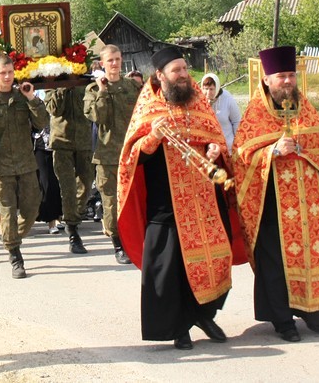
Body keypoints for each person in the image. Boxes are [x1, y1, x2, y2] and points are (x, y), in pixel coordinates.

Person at [118, 45, 232, 350]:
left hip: (204, 197)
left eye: (185, 69)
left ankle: (204, 314)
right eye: (176, 71)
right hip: (165, 200)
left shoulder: (198, 101)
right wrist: (154, 137)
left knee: (218, 255)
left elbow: (215, 139)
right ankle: (179, 326)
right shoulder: (148, 108)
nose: (183, 75)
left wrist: (214, 150)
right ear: (160, 75)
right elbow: (132, 156)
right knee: (169, 267)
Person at [230, 46, 319, 343]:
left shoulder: (306, 109)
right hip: (271, 205)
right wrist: (272, 151)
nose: (288, 81)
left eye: (291, 75)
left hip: (311, 205)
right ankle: (283, 322)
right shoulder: (255, 114)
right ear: (267, 80)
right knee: (276, 265)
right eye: (281, 76)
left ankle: (315, 312)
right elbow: (241, 157)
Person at [0, 54, 49, 279]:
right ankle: (15, 256)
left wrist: (32, 97)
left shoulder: (22, 97)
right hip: (1, 168)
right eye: (2, 73)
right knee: (8, 212)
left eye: (10, 72)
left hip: (26, 164)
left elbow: (42, 122)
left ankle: (10, 238)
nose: (7, 77)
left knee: (32, 208)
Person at [83, 44, 140, 264]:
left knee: (134, 200)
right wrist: (103, 91)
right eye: (110, 60)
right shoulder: (93, 91)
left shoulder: (131, 87)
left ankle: (135, 241)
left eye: (117, 59)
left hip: (131, 153)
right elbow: (98, 118)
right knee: (111, 203)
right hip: (107, 157)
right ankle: (118, 245)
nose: (114, 64)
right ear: (103, 63)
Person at [45, 85, 94, 254]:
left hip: (84, 142)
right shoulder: (51, 87)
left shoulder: (85, 84)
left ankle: (75, 215)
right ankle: (73, 231)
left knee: (87, 184)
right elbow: (54, 109)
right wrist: (61, 88)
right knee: (68, 189)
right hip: (61, 143)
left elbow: (91, 111)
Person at [201, 72, 241, 151]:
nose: (208, 92)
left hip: (226, 146)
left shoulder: (227, 99)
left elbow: (237, 121)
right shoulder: (199, 100)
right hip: (207, 148)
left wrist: (238, 144)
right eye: (206, 89)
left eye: (211, 89)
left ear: (217, 88)